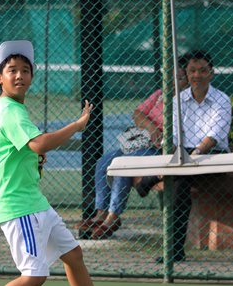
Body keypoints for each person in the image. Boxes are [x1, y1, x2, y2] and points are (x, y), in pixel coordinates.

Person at [0, 40, 142, 286]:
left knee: (73, 255)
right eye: (12, 70)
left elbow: (22, 152)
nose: (19, 75)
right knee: (33, 275)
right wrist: (77, 125)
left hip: (33, 201)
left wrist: (33, 161)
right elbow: (39, 143)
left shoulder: (9, 109)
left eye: (25, 70)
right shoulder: (9, 111)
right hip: (18, 205)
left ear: (32, 76)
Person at [81, 58, 190, 240]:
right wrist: (151, 127)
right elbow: (138, 113)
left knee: (124, 165)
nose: (173, 82)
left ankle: (113, 216)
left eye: (179, 78)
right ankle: (101, 213)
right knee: (103, 162)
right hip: (140, 142)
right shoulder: (160, 94)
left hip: (158, 149)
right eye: (171, 77)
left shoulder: (186, 102)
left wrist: (161, 135)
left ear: (187, 81)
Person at [144, 50, 231, 262]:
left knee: (179, 180)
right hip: (184, 159)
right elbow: (173, 135)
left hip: (213, 157)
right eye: (192, 71)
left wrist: (193, 155)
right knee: (180, 185)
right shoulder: (178, 100)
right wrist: (178, 154)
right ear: (187, 73)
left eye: (202, 71)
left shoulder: (222, 100)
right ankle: (174, 251)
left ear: (211, 73)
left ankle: (153, 177)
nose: (197, 76)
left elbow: (215, 136)